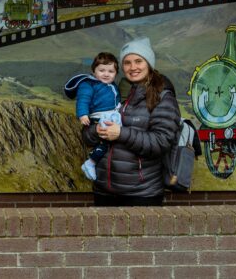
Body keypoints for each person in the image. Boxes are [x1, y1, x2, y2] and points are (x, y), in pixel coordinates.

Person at [81, 37, 180, 206]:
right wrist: (96, 130)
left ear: (149, 63)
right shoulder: (112, 92)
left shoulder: (163, 96)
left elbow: (161, 142)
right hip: (103, 191)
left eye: (138, 61)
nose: (133, 67)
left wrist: (121, 133)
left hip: (142, 194)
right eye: (127, 63)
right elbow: (86, 137)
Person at [63, 52, 121, 180]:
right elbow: (83, 99)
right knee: (106, 141)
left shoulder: (112, 85)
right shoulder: (88, 84)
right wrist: (83, 114)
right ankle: (91, 163)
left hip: (111, 116)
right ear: (94, 71)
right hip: (99, 117)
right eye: (102, 70)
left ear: (116, 73)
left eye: (111, 71)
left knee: (114, 139)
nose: (106, 74)